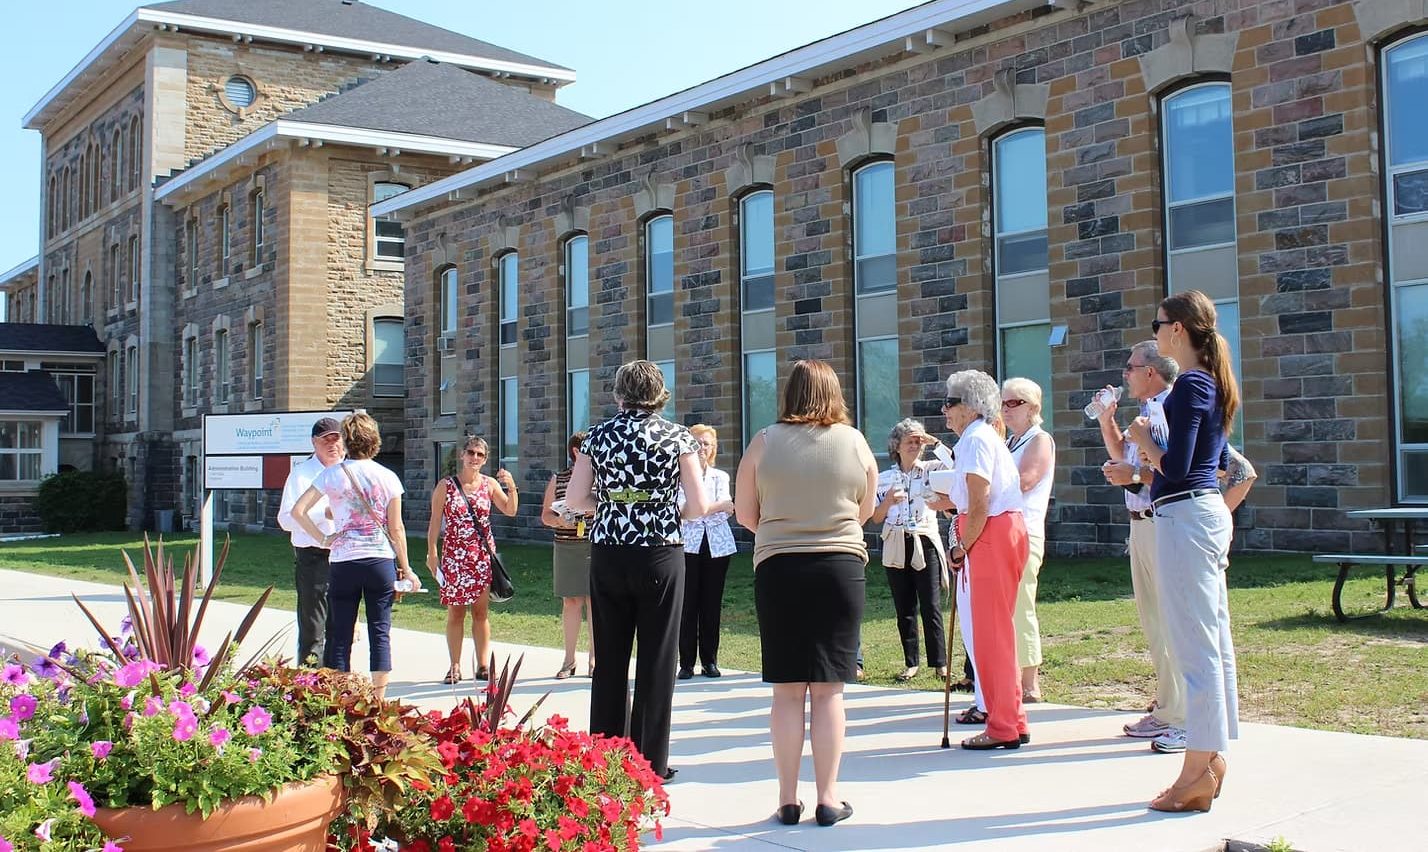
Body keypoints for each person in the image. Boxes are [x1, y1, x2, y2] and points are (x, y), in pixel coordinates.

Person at [735, 359, 877, 828]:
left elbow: (744, 512)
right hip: (839, 567)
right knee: (830, 690)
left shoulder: (764, 441)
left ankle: (788, 798)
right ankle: (829, 797)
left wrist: (780, 532)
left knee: (787, 690)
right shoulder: (855, 442)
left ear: (790, 394)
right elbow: (867, 507)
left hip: (779, 568)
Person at [565, 360, 709, 782]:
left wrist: (614, 504)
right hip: (661, 554)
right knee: (658, 658)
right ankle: (650, 762)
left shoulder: (597, 436)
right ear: (661, 394)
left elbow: (575, 500)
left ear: (618, 394)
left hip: (610, 552)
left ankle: (605, 759)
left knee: (609, 659)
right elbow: (698, 507)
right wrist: (660, 507)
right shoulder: (679, 436)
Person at [1127, 289, 1241, 813]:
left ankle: (1195, 771)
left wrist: (1145, 440)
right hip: (1202, 514)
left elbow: (1176, 467)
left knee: (1196, 647)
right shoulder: (1208, 382)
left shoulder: (1193, 383)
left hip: (1187, 517)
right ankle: (1210, 759)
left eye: (1157, 324)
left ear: (1177, 330)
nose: (1154, 332)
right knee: (1211, 642)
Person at [1098, 339, 1187, 754]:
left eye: (1131, 368)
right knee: (1153, 622)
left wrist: (1133, 474)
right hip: (1141, 526)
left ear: (1151, 372)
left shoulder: (1171, 410)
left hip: (1163, 524)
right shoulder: (1146, 413)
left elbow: (1175, 474)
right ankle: (1168, 709)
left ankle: (1185, 716)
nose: (1125, 375)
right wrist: (1107, 421)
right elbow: (1129, 459)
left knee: (1173, 622)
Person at [291, 412, 417, 702]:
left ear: (347, 441)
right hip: (379, 559)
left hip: (344, 560)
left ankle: (340, 698)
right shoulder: (388, 477)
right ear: (375, 441)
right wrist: (407, 568)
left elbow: (299, 510)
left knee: (340, 632)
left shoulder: (332, 474)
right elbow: (396, 527)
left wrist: (324, 538)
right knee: (380, 631)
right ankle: (378, 700)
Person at [937, 370, 1029, 750]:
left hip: (990, 534)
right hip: (1000, 531)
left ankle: (1003, 724)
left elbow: (979, 502)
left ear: (970, 407)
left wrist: (961, 547)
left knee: (990, 637)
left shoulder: (975, 439)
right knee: (996, 633)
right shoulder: (983, 437)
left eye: (950, 402)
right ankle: (1011, 717)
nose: (945, 411)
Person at [426, 435, 518, 683]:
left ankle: (483, 665)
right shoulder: (446, 485)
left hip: (481, 556)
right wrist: (432, 552)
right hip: (455, 555)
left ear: (485, 459)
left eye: (480, 454)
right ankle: (454, 666)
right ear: (462, 455)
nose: (474, 457)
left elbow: (509, 510)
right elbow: (435, 521)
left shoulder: (488, 485)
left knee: (480, 613)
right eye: (471, 452)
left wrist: (511, 486)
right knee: (456, 613)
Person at [870, 418, 950, 682]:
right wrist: (889, 500)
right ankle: (911, 662)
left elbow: (955, 464)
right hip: (895, 540)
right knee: (904, 605)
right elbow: (875, 517)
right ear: (897, 446)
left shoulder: (931, 469)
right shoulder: (884, 479)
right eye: (910, 441)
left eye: (918, 441)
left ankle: (940, 663)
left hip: (923, 539)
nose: (916, 445)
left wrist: (934, 441)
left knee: (931, 603)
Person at [1001, 378, 1055, 702]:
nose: (1007, 409)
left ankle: (1030, 680)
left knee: (1022, 605)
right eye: (1004, 403)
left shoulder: (1039, 439)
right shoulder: (1010, 442)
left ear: (1033, 407)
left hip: (1026, 531)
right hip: (1005, 529)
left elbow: (1026, 480)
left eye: (1015, 403)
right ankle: (1012, 677)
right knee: (1006, 608)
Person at [277, 417, 344, 666]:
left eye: (336, 439)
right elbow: (286, 518)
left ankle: (338, 682)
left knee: (341, 622)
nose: (332, 445)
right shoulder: (301, 474)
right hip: (313, 555)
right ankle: (310, 681)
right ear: (314, 443)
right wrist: (322, 514)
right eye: (326, 440)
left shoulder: (350, 471)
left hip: (345, 554)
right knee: (313, 624)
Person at [677, 424, 736, 680]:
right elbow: (681, 510)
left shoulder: (720, 476)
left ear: (713, 448)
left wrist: (702, 509)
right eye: (697, 443)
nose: (702, 448)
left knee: (711, 605)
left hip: (717, 546)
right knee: (687, 605)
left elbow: (728, 507)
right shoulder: (679, 476)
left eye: (707, 443)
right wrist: (711, 508)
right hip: (687, 545)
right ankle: (686, 663)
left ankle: (709, 661)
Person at [541, 431, 596, 679]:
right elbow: (546, 516)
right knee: (571, 602)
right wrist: (558, 521)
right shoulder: (559, 479)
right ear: (576, 452)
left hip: (596, 546)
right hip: (566, 546)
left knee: (597, 603)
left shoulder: (601, 479)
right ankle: (569, 660)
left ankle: (595, 660)